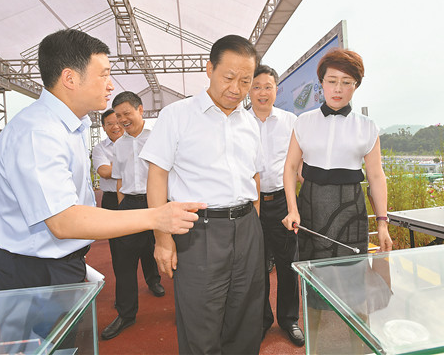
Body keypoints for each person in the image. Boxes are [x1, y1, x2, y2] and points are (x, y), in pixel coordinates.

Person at [0, 29, 205, 291]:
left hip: (55, 264)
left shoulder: (68, 126)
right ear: (70, 78)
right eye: (103, 75)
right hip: (36, 274)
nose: (111, 85)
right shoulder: (38, 132)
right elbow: (63, 220)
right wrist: (156, 217)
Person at [141, 35, 264, 354]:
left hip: (247, 229)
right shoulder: (177, 115)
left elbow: (254, 177)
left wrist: (254, 226)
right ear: (209, 69)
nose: (236, 88)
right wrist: (162, 238)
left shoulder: (250, 123)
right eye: (229, 77)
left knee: (246, 319)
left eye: (245, 81)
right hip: (199, 231)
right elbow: (157, 177)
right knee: (201, 325)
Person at [282, 48, 392, 259]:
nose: (338, 89)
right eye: (332, 81)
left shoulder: (367, 126)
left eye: (346, 82)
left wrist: (382, 223)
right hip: (310, 205)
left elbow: (376, 176)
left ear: (356, 85)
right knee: (311, 271)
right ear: (321, 82)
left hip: (350, 207)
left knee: (351, 272)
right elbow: (290, 167)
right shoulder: (303, 122)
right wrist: (292, 209)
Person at [101, 91, 164, 340]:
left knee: (172, 256)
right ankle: (126, 314)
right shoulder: (119, 145)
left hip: (157, 204)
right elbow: (119, 180)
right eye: (118, 116)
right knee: (123, 263)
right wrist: (121, 209)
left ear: (140, 109)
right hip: (129, 205)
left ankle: (185, 309)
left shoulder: (158, 138)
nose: (122, 120)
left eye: (126, 113)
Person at [248, 65, 304, 346]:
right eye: (256, 86)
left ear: (276, 90)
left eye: (268, 87)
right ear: (248, 90)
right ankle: (261, 320)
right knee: (255, 267)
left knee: (288, 263)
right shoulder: (237, 122)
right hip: (249, 205)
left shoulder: (290, 121)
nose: (262, 92)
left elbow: (299, 164)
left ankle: (289, 319)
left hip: (283, 201)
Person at [91, 108, 122, 212]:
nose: (115, 127)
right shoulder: (99, 148)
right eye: (110, 124)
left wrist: (114, 166)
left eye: (118, 122)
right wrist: (131, 167)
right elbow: (104, 172)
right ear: (103, 127)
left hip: (136, 197)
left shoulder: (135, 143)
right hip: (111, 199)